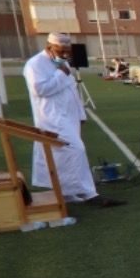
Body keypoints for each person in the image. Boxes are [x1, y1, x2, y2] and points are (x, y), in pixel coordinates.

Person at [24, 32, 120, 207]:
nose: (65, 55)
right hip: (51, 118)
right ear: (49, 47)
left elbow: (71, 90)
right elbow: (40, 90)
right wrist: (61, 73)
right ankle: (90, 194)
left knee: (62, 156)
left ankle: (68, 193)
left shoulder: (62, 63)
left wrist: (80, 114)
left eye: (67, 51)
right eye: (61, 51)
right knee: (76, 149)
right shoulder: (35, 64)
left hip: (69, 117)